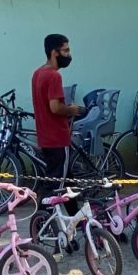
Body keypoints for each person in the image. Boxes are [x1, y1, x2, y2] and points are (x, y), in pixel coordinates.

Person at [31, 34, 82, 200]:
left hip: (45, 137)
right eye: (65, 50)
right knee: (56, 187)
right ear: (54, 52)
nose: (68, 54)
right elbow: (55, 107)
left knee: (68, 186)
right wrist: (71, 110)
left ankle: (77, 221)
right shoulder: (54, 76)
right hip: (57, 138)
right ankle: (42, 222)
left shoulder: (37, 73)